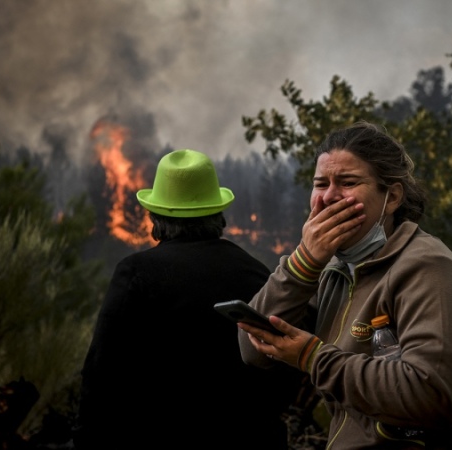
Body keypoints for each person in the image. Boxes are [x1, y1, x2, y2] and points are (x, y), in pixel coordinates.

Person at [237, 121, 452, 449]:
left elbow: (433, 397)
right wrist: (303, 264)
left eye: (348, 182)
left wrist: (313, 357)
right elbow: (254, 349)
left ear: (392, 197)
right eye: (320, 184)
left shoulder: (427, 268)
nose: (328, 197)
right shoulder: (334, 271)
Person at [74, 149, 299, 449]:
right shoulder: (256, 272)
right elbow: (284, 369)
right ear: (217, 213)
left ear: (156, 215)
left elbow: (102, 375)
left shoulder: (136, 273)